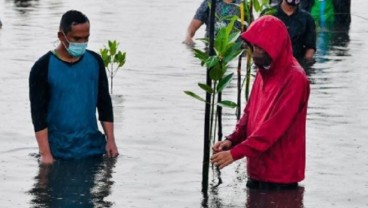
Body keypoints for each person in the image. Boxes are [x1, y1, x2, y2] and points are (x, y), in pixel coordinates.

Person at [211, 15, 310, 190]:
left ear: (274, 47)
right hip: (256, 168)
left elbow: (273, 128)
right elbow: (249, 114)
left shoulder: (295, 78)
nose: (254, 52)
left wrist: (235, 154)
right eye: (253, 46)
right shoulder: (263, 71)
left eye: (260, 47)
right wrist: (232, 140)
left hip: (281, 174)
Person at [29, 10, 119, 165]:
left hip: (93, 149)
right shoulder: (42, 67)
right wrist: (45, 153)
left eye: (86, 38)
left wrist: (111, 141)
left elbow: (104, 102)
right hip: (58, 152)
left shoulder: (95, 62)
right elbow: (38, 114)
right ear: (61, 36)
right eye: (77, 39)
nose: (82, 43)